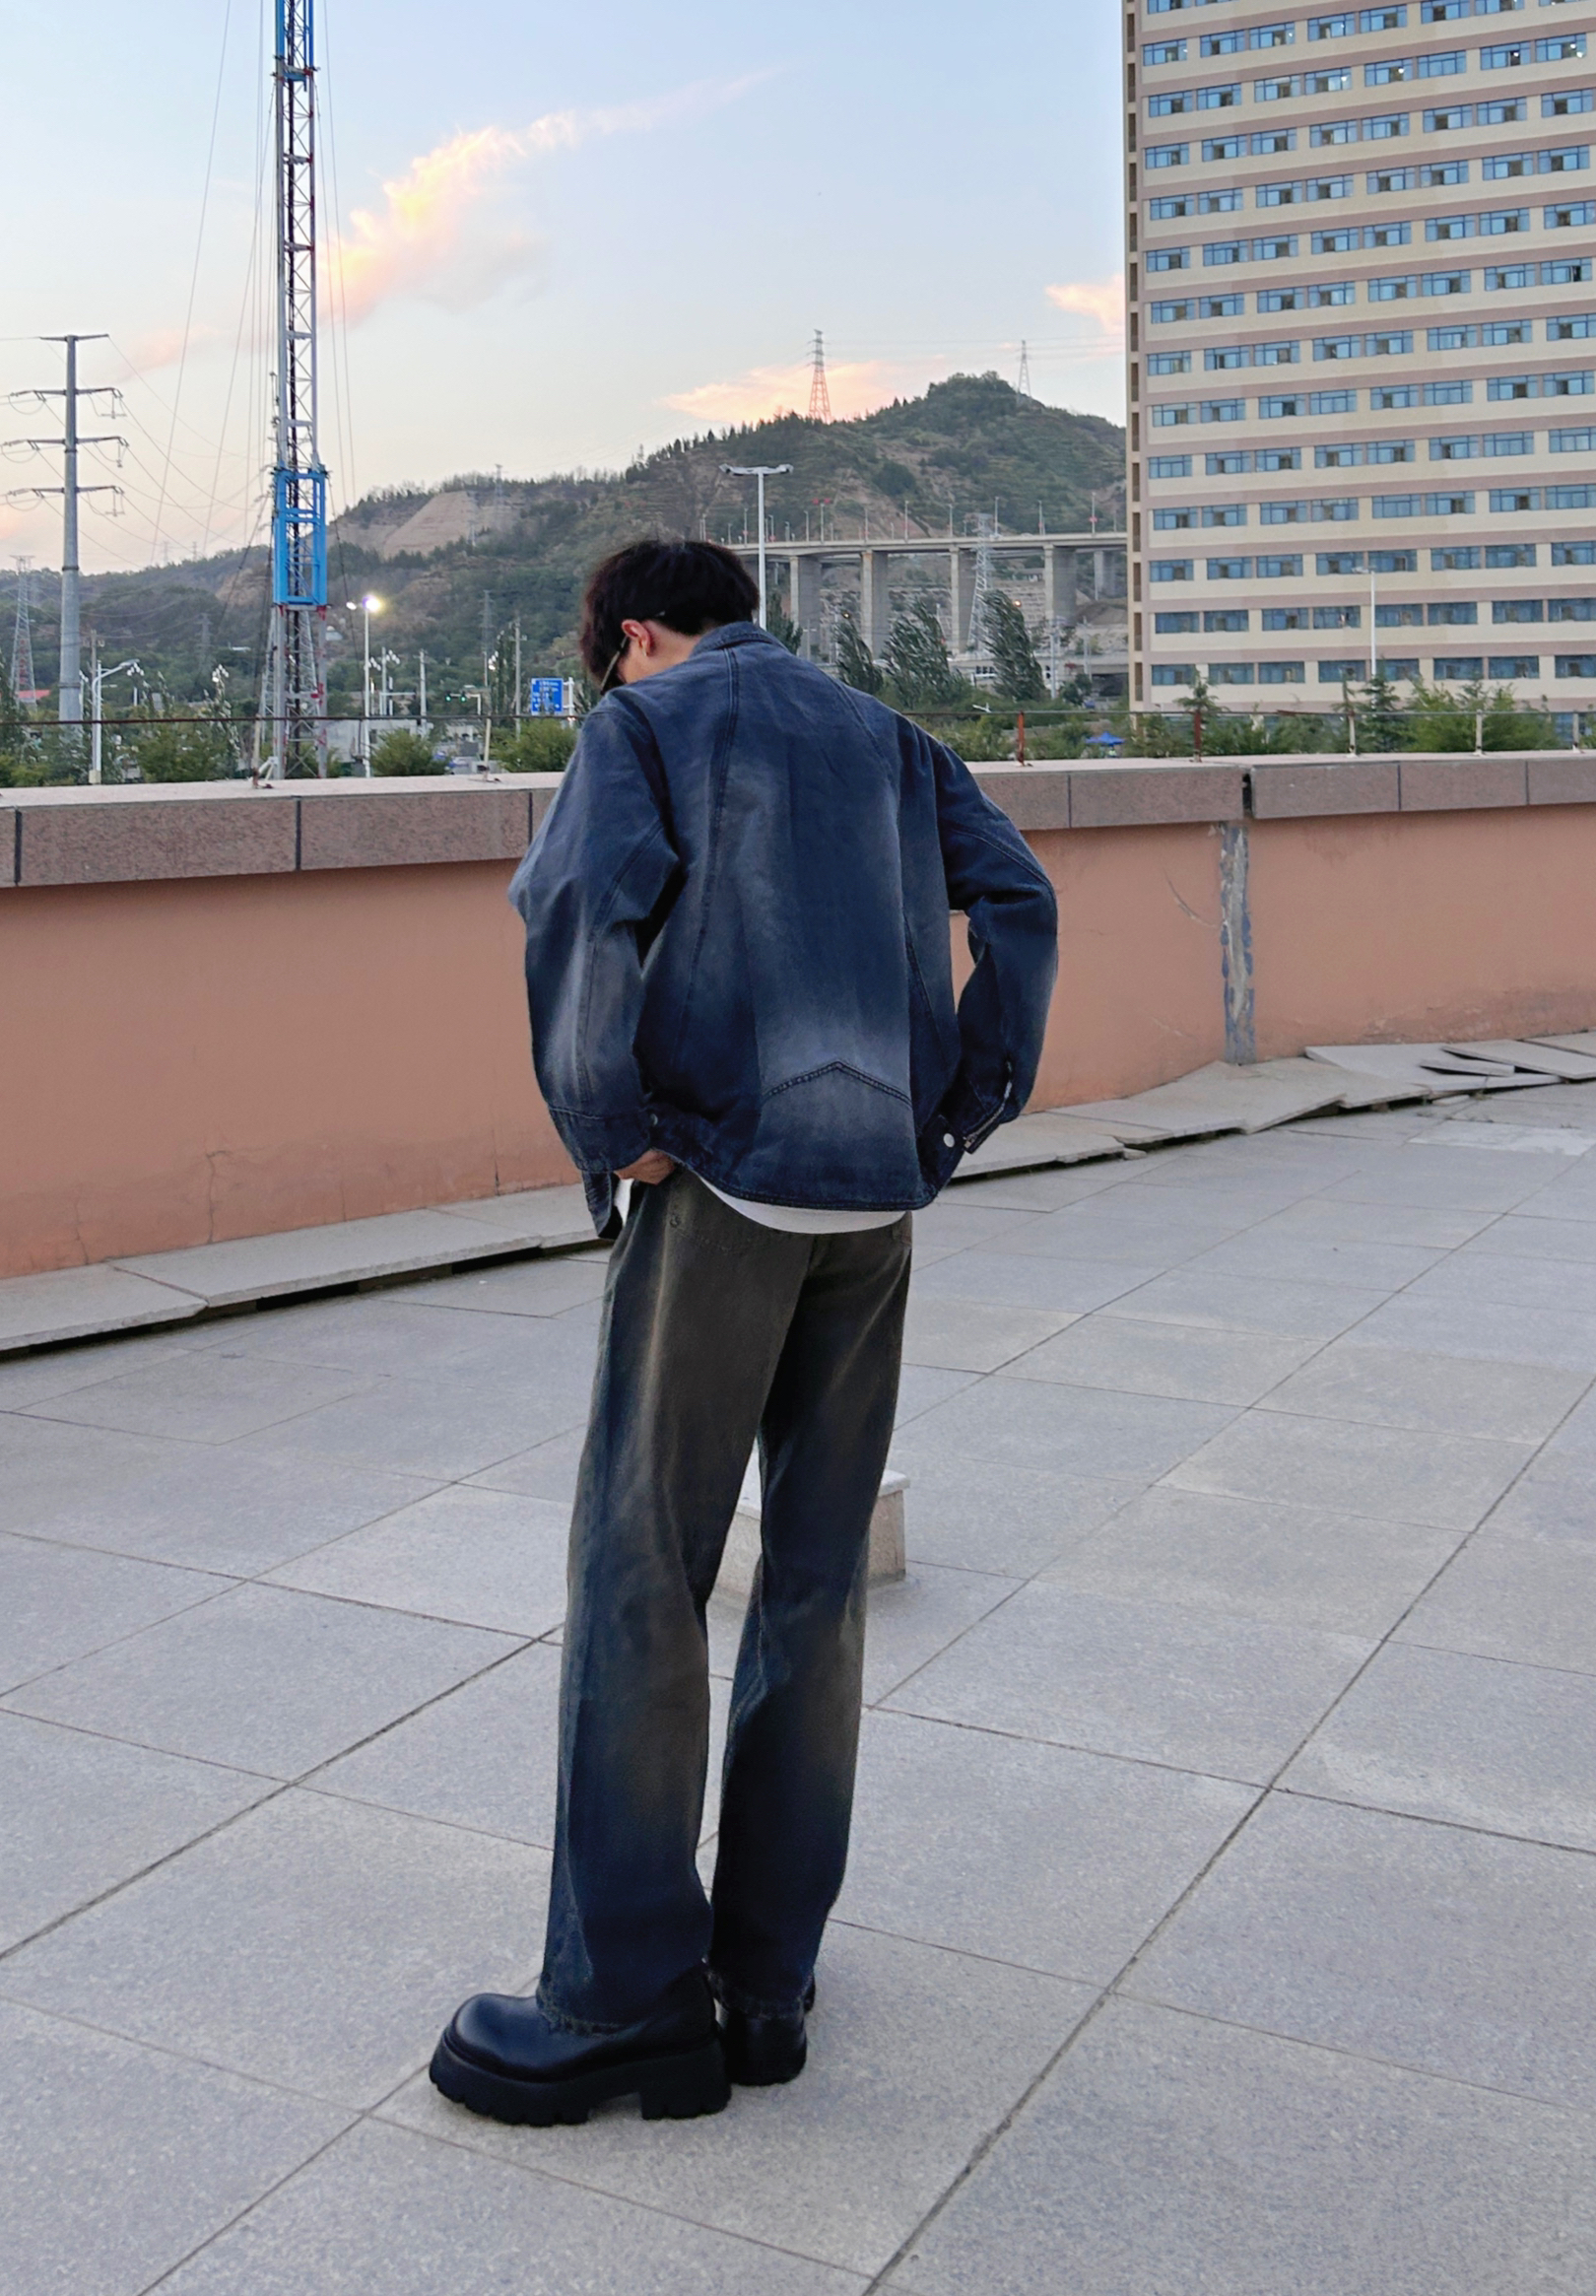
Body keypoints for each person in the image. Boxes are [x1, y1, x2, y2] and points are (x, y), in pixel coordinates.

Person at [431, 537, 1057, 2126]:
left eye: (610, 659)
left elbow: (576, 909)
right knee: (816, 1588)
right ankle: (769, 1984)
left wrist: (615, 1129)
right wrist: (958, 1108)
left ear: (638, 635)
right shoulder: (889, 737)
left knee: (643, 1577)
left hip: (722, 1186)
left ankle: (625, 2000)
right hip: (874, 1201)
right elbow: (1021, 901)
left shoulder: (643, 726)